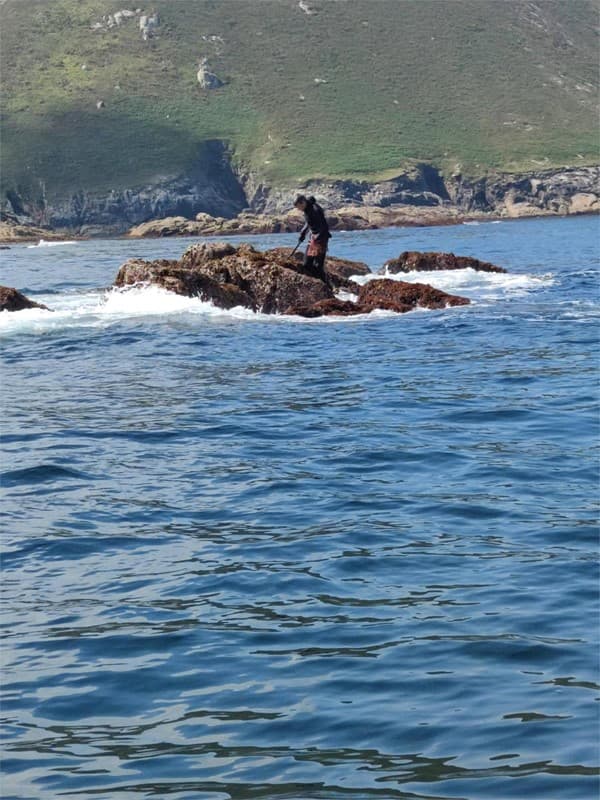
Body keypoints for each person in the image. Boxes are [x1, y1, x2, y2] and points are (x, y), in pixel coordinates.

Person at [294, 194, 332, 288]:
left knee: (318, 266)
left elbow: (324, 226)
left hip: (321, 238)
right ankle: (318, 284)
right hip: (313, 238)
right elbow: (309, 222)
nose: (299, 209)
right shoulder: (307, 208)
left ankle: (327, 287)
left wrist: (317, 239)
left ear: (302, 202)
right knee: (307, 265)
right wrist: (303, 233)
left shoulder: (315, 209)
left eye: (299, 207)